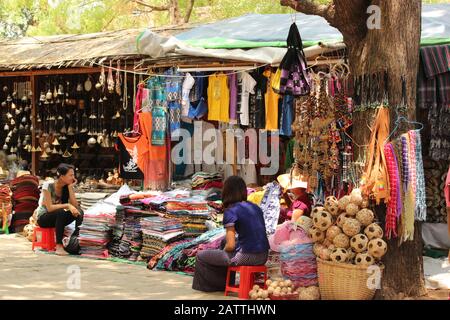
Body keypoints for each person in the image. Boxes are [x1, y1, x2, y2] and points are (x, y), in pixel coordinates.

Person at [192, 176, 269, 292]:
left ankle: (217, 286)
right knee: (223, 241)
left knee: (201, 256)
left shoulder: (231, 211)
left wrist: (221, 254)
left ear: (226, 192)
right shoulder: (255, 207)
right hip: (264, 255)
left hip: (247, 257)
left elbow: (231, 245)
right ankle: (228, 280)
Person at [35, 163, 83, 256]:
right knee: (61, 212)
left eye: (73, 175)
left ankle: (75, 242)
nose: (73, 177)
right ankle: (59, 246)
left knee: (79, 212)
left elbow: (75, 206)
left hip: (59, 218)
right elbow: (49, 208)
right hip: (44, 218)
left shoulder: (66, 187)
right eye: (71, 175)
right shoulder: (47, 185)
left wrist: (70, 188)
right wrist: (68, 205)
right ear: (62, 176)